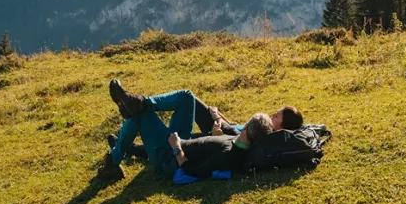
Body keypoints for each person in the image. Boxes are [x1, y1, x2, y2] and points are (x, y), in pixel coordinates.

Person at [97, 79, 275, 183]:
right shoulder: (238, 138)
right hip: (181, 139)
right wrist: (217, 117)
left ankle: (113, 161)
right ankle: (142, 101)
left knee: (139, 114)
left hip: (168, 157)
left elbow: (193, 171)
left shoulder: (229, 155)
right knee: (186, 97)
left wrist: (176, 148)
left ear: (246, 127)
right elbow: (228, 127)